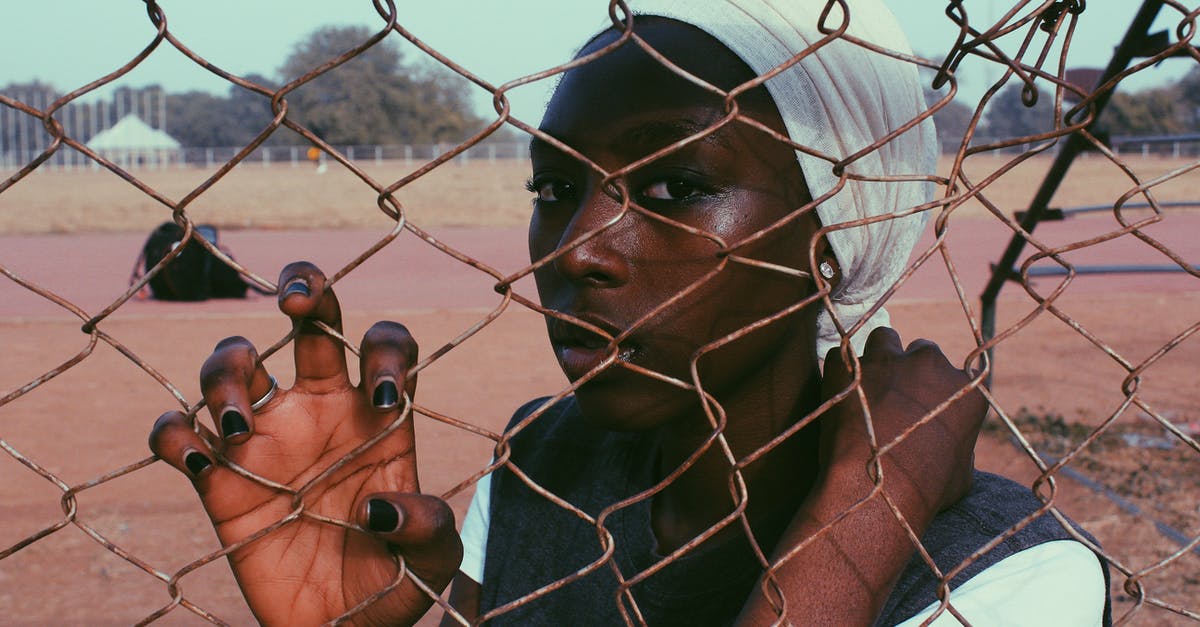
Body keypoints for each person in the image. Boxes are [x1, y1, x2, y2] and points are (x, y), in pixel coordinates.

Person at [148, 1, 1110, 625]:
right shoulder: (544, 470)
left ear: (835, 232)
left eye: (675, 184)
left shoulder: (1007, 579)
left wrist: (865, 514)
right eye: (555, 186)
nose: (575, 248)